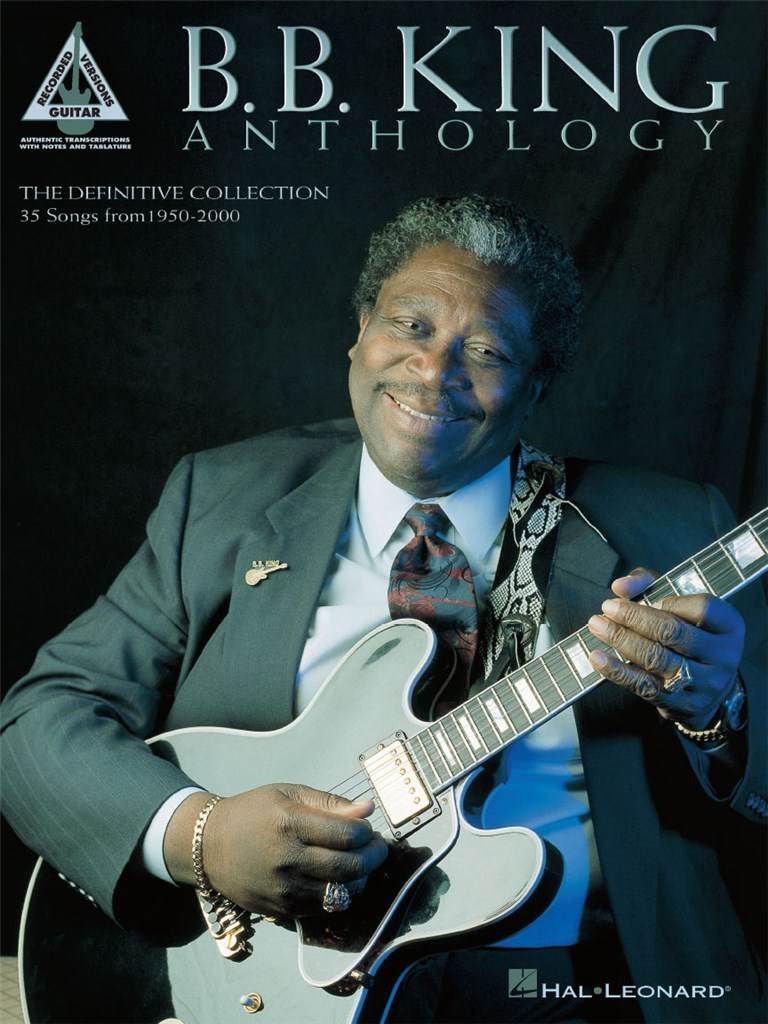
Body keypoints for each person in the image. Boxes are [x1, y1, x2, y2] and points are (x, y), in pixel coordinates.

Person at [2, 196, 766, 1024]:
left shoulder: (675, 530)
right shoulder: (222, 500)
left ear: (536, 384)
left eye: (487, 351)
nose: (434, 371)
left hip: (574, 984)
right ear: (361, 331)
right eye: (411, 325)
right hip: (269, 982)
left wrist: (718, 714)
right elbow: (42, 719)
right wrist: (202, 835)